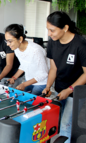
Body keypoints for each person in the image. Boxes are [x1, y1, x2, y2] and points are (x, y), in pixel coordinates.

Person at [42, 11, 86, 143]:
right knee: (55, 119)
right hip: (59, 88)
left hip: (76, 91)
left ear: (65, 28)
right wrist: (48, 86)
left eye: (52, 30)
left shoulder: (80, 44)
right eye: (48, 30)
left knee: (66, 124)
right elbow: (53, 68)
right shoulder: (52, 42)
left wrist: (70, 89)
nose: (49, 34)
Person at [5, 24, 49, 95]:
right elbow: (24, 65)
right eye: (6, 41)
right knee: (20, 99)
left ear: (20, 39)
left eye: (10, 41)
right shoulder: (16, 49)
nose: (7, 44)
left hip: (41, 82)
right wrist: (14, 77)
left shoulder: (35, 50)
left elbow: (43, 74)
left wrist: (24, 84)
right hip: (28, 80)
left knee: (32, 104)